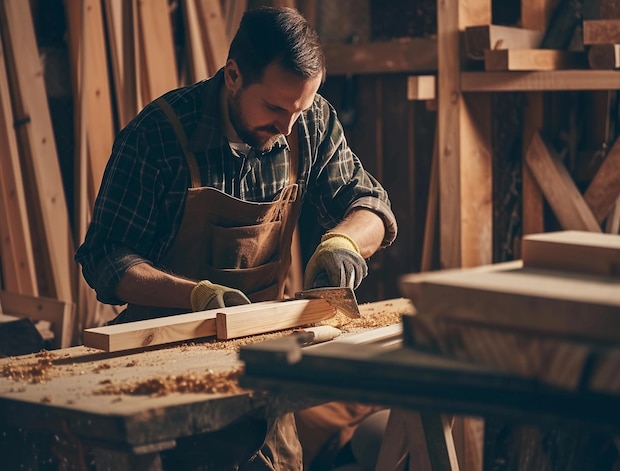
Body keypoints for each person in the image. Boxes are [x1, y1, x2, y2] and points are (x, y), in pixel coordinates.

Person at [76, 5, 397, 470]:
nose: (287, 126)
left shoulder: (307, 121)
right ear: (232, 75)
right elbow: (105, 258)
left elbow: (372, 203)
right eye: (273, 108)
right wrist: (196, 295)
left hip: (264, 361)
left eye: (299, 109)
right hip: (162, 369)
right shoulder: (158, 137)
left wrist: (344, 241)